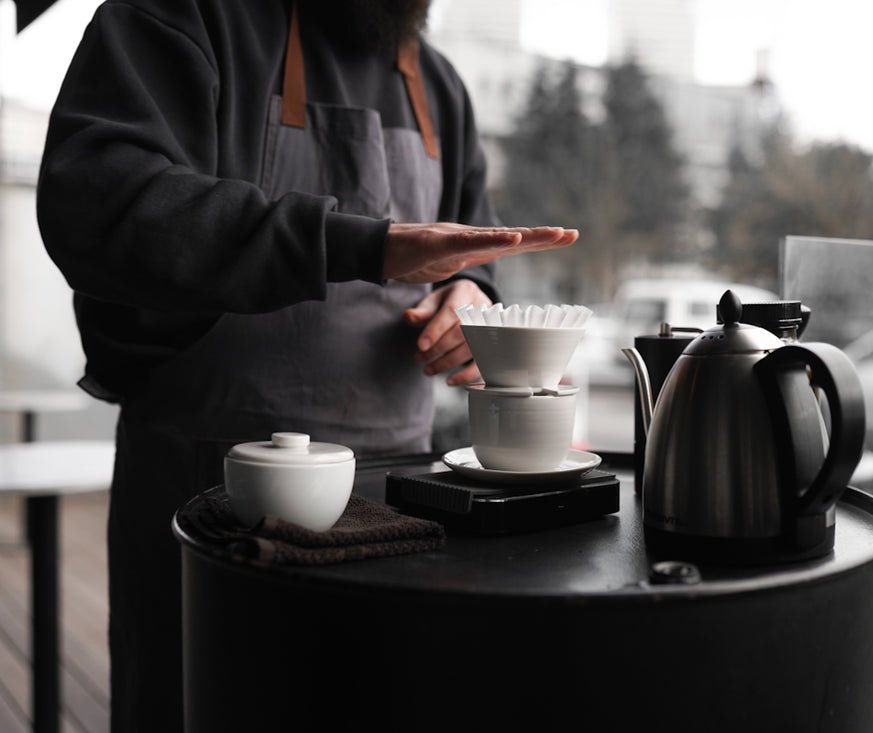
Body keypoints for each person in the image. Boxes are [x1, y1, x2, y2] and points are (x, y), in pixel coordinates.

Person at [35, 1, 577, 730]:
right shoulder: (182, 15)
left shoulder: (438, 82)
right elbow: (100, 204)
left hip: (402, 511)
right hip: (212, 495)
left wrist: (469, 296)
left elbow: (470, 246)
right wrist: (356, 243)